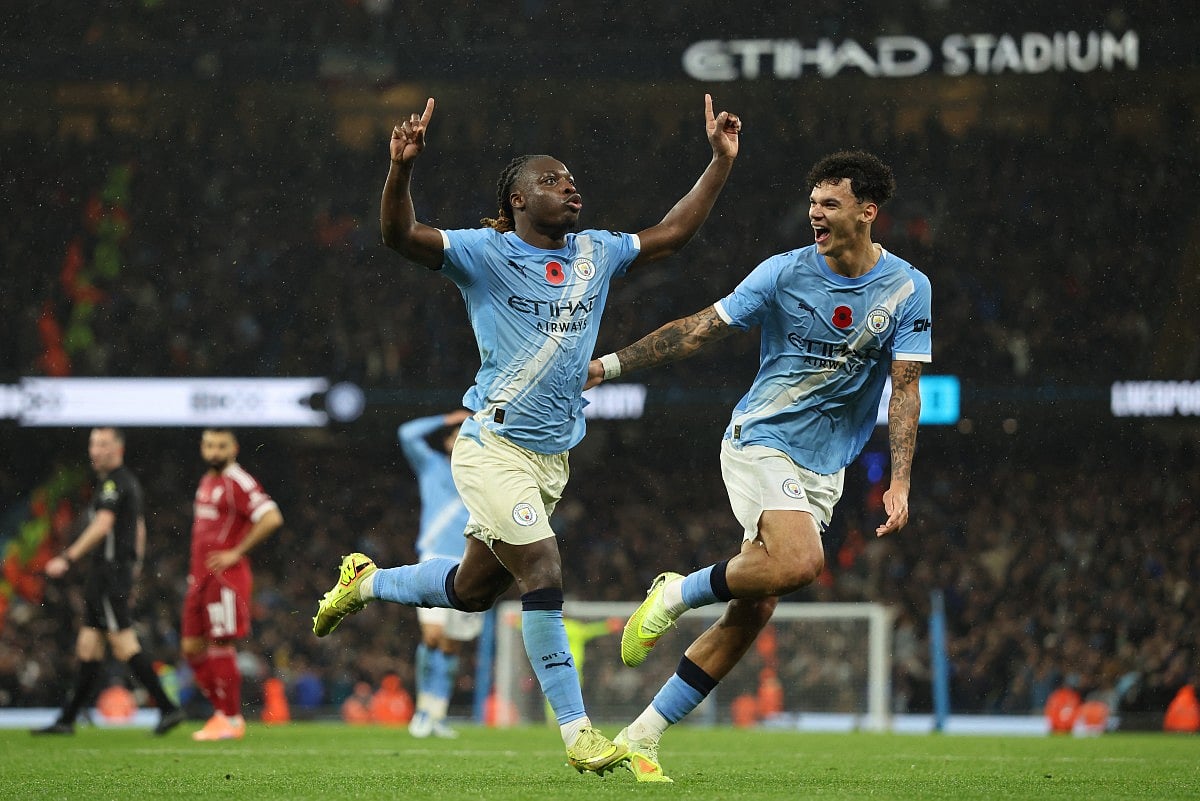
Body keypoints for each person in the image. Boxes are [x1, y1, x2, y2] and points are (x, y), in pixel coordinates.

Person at [312, 93, 741, 774]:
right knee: (542, 566)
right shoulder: (483, 253)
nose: (568, 185)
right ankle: (580, 735)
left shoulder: (597, 252)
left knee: (471, 591)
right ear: (516, 199)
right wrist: (400, 170)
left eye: (570, 177)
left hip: (550, 459)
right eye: (550, 179)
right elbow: (400, 236)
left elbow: (673, 233)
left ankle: (364, 583)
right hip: (492, 445)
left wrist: (718, 162)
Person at [586, 150, 933, 781]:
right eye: (812, 204)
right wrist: (607, 368)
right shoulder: (781, 273)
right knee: (801, 563)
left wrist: (900, 480)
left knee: (756, 609)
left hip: (825, 465)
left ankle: (643, 734)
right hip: (761, 437)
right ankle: (676, 592)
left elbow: (905, 388)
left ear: (868, 211)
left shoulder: (909, 288)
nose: (815, 215)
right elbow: (698, 330)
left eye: (830, 204)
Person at [33, 427, 185, 736]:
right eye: (92, 444)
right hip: (109, 574)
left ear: (118, 449)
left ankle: (168, 708)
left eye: (103, 444)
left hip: (109, 574)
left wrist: (68, 557)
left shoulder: (114, 482)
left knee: (123, 643)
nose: (95, 450)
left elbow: (103, 525)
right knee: (88, 646)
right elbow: (139, 527)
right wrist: (135, 565)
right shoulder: (119, 482)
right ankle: (67, 720)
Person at [183, 428, 283, 741]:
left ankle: (230, 718)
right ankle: (221, 712)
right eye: (209, 445)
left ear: (234, 448)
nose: (214, 452)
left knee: (221, 643)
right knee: (191, 648)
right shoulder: (207, 480)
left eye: (221, 446)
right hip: (199, 578)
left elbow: (271, 517)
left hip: (224, 578)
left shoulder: (238, 481)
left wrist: (236, 552)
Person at [397, 409, 481, 739]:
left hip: (469, 563)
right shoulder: (432, 466)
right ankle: (421, 711)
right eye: (456, 436)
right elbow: (407, 432)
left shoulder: (483, 478)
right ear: (448, 443)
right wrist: (449, 418)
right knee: (431, 637)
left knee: (450, 646)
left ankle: (437, 714)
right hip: (433, 559)